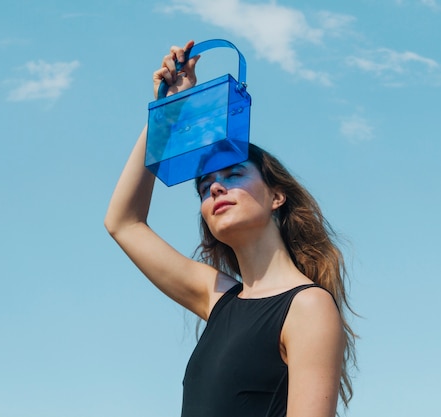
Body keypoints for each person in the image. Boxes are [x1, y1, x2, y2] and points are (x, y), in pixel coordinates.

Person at [104, 40, 356, 417]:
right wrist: (166, 115)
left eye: (234, 174)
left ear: (277, 196)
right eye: (205, 186)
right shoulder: (215, 297)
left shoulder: (308, 307)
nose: (216, 187)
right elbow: (122, 222)